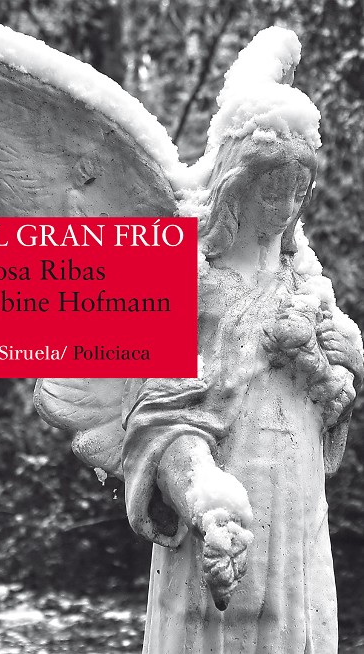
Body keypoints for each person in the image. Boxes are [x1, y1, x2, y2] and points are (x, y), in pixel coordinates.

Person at [121, 132, 363, 654]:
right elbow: (157, 416)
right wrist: (203, 496)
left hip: (298, 504)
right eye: (272, 192)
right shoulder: (193, 282)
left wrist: (346, 366)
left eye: (298, 193)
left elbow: (328, 407)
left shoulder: (306, 286)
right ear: (236, 187)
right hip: (223, 497)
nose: (286, 208)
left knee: (296, 630)